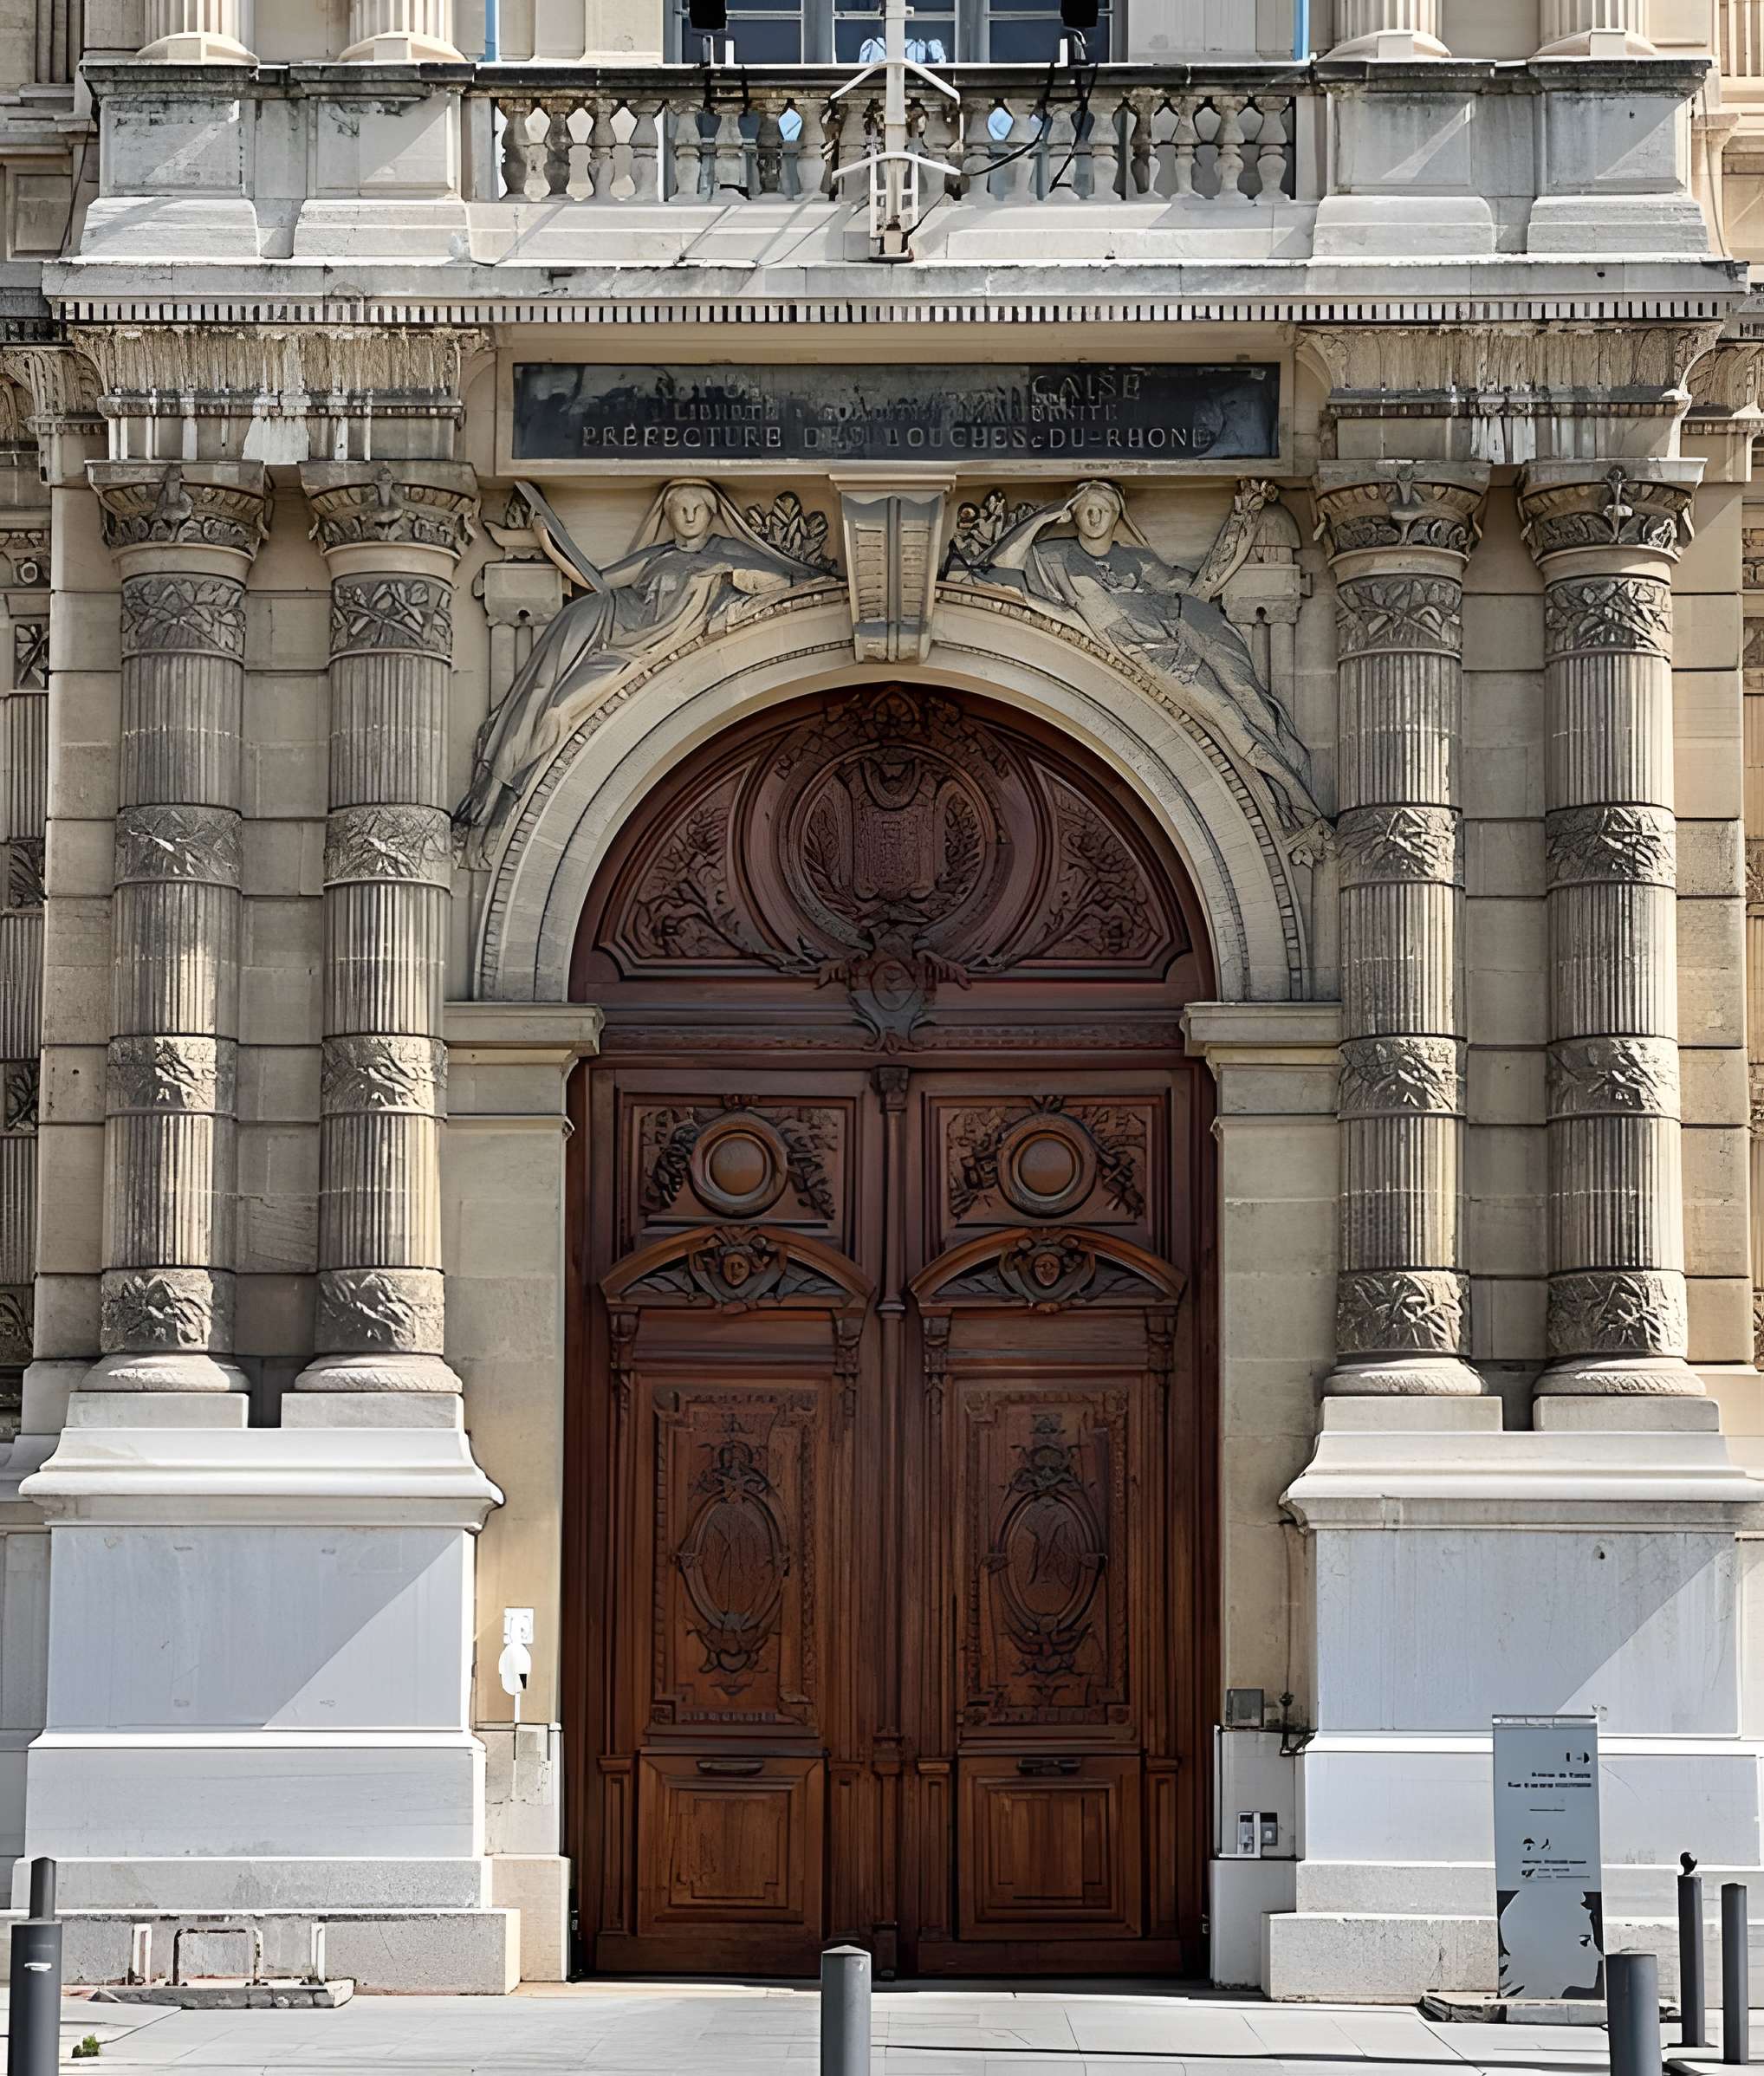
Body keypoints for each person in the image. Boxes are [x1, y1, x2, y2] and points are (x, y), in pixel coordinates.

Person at [460, 479, 824, 846]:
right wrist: (547, 538)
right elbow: (596, 579)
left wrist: (723, 569)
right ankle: (515, 789)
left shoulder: (727, 551)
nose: (689, 516)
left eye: (697, 508)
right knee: (556, 708)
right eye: (681, 509)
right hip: (618, 641)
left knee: (559, 710)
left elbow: (781, 581)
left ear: (713, 514)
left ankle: (517, 793)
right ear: (668, 515)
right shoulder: (657, 556)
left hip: (654, 654)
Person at [968, 479, 1321, 834]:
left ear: (1117, 515)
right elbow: (1001, 567)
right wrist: (1045, 517)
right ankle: (1290, 803)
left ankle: (1293, 801)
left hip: (1179, 653)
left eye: (1104, 510)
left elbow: (1202, 585)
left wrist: (1243, 520)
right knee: (1231, 723)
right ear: (1073, 513)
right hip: (1143, 661)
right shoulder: (1053, 557)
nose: (1094, 517)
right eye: (1087, 508)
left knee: (1242, 716)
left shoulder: (1137, 560)